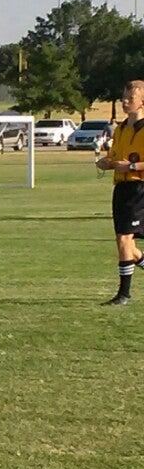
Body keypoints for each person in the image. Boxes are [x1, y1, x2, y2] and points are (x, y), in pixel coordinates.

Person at [96, 79, 144, 305]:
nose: (125, 102)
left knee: (125, 238)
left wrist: (132, 167)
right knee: (124, 243)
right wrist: (107, 162)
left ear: (142, 102)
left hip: (140, 188)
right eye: (123, 98)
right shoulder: (121, 129)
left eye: (130, 98)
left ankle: (124, 294)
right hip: (122, 189)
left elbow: (131, 164)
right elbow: (116, 158)